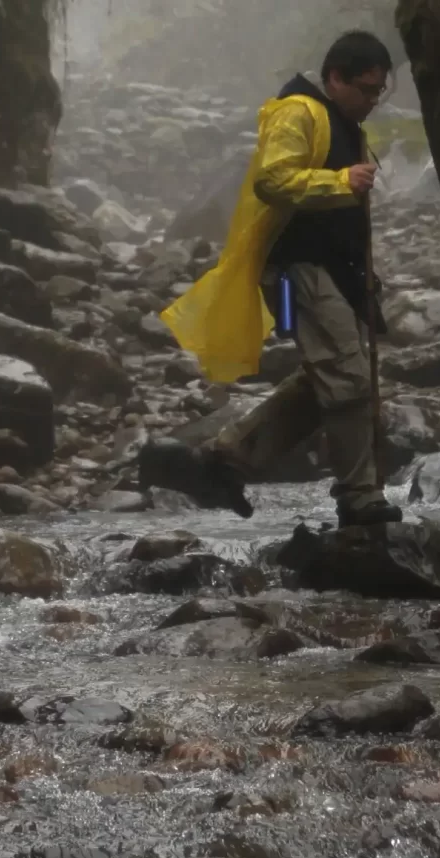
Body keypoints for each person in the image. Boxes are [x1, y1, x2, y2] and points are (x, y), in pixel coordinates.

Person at [140, 30, 403, 529]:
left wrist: (365, 275)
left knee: (327, 376)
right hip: (299, 265)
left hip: (333, 269)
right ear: (334, 77)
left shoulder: (344, 122)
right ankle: (359, 496)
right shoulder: (299, 112)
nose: (372, 101)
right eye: (365, 89)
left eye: (378, 92)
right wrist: (340, 181)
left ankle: (225, 461)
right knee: (346, 377)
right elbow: (273, 178)